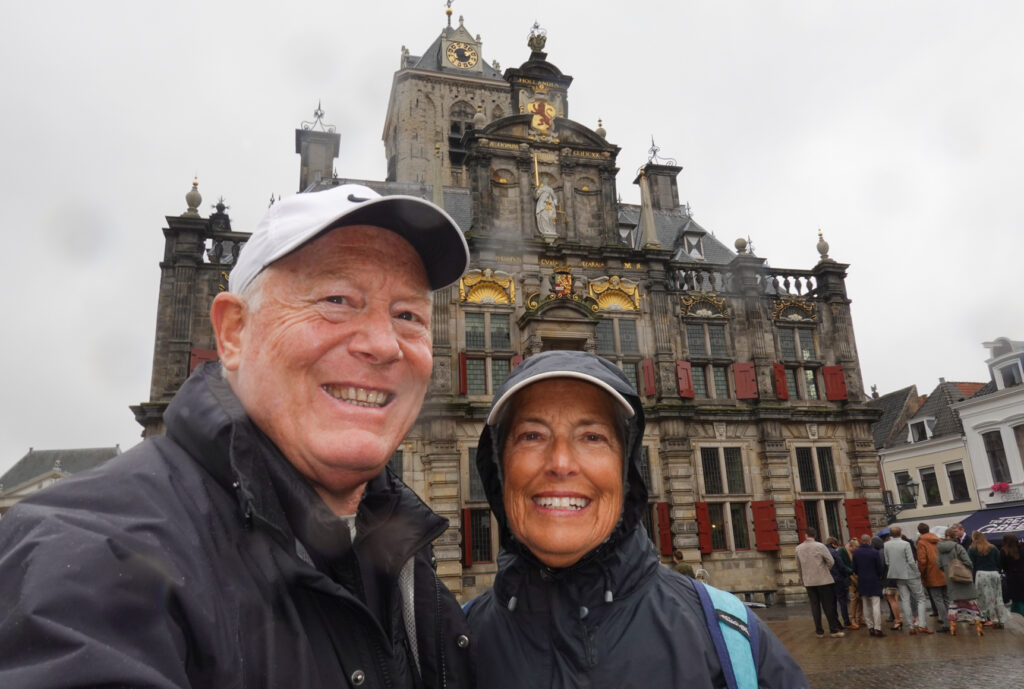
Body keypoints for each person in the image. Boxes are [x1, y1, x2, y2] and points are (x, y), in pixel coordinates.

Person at [0, 184, 474, 688]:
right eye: (336, 300)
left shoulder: (407, 560)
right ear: (232, 333)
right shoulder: (91, 555)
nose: (382, 345)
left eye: (407, 316)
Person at [465, 351, 809, 688]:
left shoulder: (733, 643)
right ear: (498, 468)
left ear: (626, 471)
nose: (561, 463)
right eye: (532, 436)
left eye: (592, 437)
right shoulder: (450, 647)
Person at [796, 527, 845, 639]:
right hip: (823, 580)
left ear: (805, 535)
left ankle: (819, 631)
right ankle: (833, 630)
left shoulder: (798, 548)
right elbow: (831, 561)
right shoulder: (820, 546)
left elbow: (798, 567)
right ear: (815, 535)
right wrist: (824, 570)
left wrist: (803, 579)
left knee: (815, 606)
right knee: (828, 606)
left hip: (809, 581)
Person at [882, 525, 932, 634]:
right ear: (900, 533)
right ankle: (922, 624)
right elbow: (911, 561)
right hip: (910, 573)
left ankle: (911, 626)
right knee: (920, 598)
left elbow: (887, 562)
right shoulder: (905, 544)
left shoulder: (886, 545)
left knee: (905, 600)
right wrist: (917, 572)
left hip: (897, 574)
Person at [938, 529, 983, 636]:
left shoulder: (939, 549)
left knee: (953, 604)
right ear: (955, 536)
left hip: (951, 579)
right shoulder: (958, 547)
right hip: (963, 579)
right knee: (972, 603)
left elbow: (939, 565)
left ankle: (953, 627)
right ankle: (978, 626)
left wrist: (949, 570)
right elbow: (968, 562)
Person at [969, 531, 1009, 628]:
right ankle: (999, 617)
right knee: (996, 597)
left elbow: (970, 563)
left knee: (982, 597)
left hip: (981, 574)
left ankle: (986, 618)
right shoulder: (993, 548)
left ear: (974, 538)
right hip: (994, 574)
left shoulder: (972, 549)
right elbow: (999, 562)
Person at [916, 522, 950, 632]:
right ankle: (952, 620)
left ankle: (946, 623)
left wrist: (922, 574)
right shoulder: (938, 540)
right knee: (946, 598)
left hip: (932, 573)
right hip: (944, 572)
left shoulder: (921, 543)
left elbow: (922, 560)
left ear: (920, 531)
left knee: (938, 599)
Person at [851, 534, 886, 636]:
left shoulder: (856, 553)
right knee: (876, 605)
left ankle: (870, 627)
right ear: (869, 541)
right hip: (874, 580)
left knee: (866, 605)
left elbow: (854, 569)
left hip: (862, 581)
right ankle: (878, 628)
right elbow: (880, 568)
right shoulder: (874, 552)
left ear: (861, 541)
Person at [825, 536, 852, 629]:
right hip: (838, 579)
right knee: (842, 601)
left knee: (832, 603)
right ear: (833, 544)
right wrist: (847, 574)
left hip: (827, 580)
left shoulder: (823, 552)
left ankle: (836, 623)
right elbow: (841, 565)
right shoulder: (834, 552)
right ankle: (846, 621)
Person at [843, 537, 866, 629]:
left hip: (857, 577)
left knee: (860, 598)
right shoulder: (844, 552)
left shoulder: (854, 552)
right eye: (855, 548)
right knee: (854, 598)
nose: (857, 550)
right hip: (851, 578)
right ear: (851, 546)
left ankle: (859, 618)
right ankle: (852, 619)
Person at [999, 532, 1024, 615]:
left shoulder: (1004, 551)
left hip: (1011, 577)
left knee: (1015, 598)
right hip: (1022, 575)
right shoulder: (1021, 549)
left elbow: (1001, 565)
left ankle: (1017, 615)